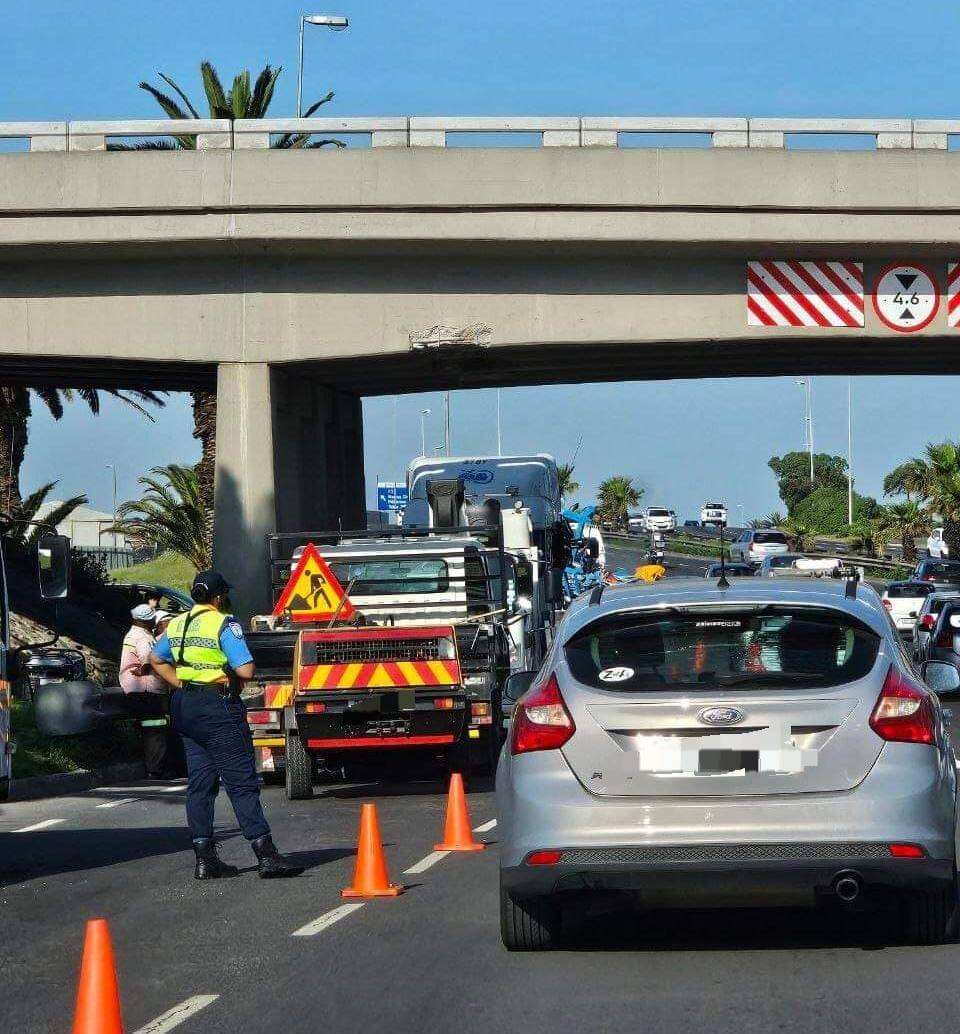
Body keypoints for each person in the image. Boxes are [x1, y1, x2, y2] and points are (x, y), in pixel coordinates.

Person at [150, 570, 303, 881]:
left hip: (186, 706)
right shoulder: (224, 622)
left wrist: (180, 683)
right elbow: (245, 670)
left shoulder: (177, 623)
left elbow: (156, 658)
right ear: (219, 596)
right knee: (241, 783)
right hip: (217, 707)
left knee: (200, 784)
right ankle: (266, 854)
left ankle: (205, 859)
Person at [119, 603, 169, 778]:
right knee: (155, 730)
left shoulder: (132, 634)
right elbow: (148, 661)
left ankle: (149, 766)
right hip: (148, 690)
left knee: (146, 729)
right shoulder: (143, 637)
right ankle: (155, 769)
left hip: (136, 689)